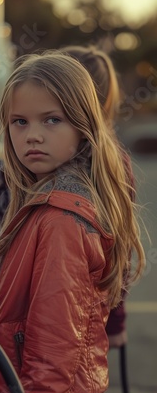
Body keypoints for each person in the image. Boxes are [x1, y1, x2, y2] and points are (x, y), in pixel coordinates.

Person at [0, 50, 145, 393]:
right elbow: (11, 326)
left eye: (51, 120)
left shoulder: (60, 218)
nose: (32, 135)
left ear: (83, 127)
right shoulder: (38, 202)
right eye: (19, 122)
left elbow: (51, 358)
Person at [60, 44, 135, 348]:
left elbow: (118, 248)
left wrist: (115, 321)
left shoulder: (105, 162)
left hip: (76, 317)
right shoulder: (48, 152)